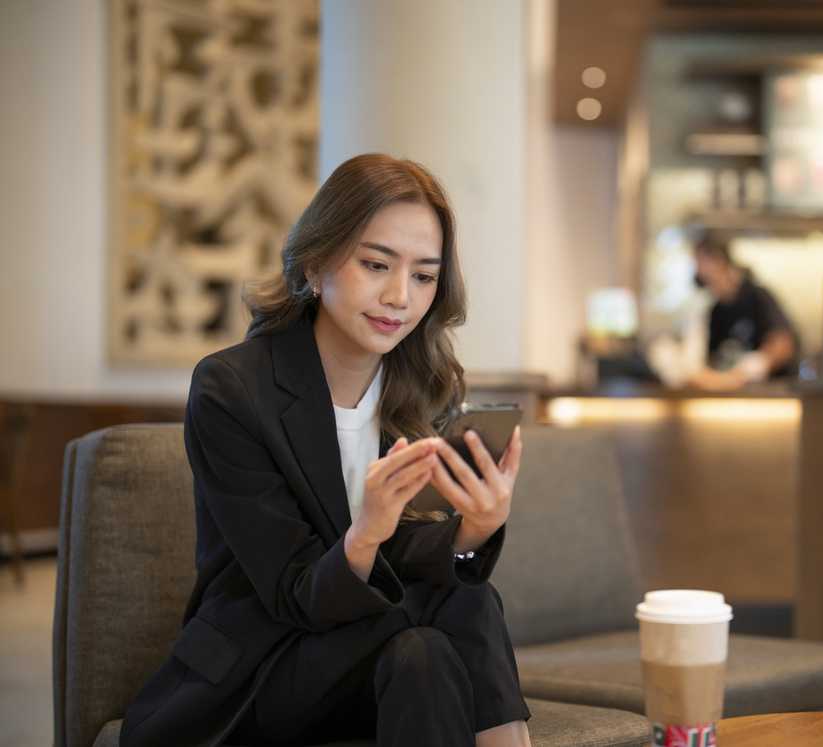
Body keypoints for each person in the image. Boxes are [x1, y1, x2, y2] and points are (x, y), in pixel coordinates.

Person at [121, 154, 532, 747]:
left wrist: (475, 529)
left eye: (423, 276)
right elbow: (293, 593)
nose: (399, 297)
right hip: (264, 666)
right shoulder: (232, 388)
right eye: (375, 265)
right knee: (462, 605)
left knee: (427, 651)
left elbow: (415, 556)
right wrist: (365, 534)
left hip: (375, 662)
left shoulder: (428, 386)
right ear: (316, 262)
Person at [687, 232, 799, 390]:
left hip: (769, 395)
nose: (697, 270)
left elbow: (784, 345)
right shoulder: (715, 312)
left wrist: (756, 366)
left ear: (718, 260)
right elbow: (711, 364)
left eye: (700, 262)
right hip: (732, 399)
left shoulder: (757, 297)